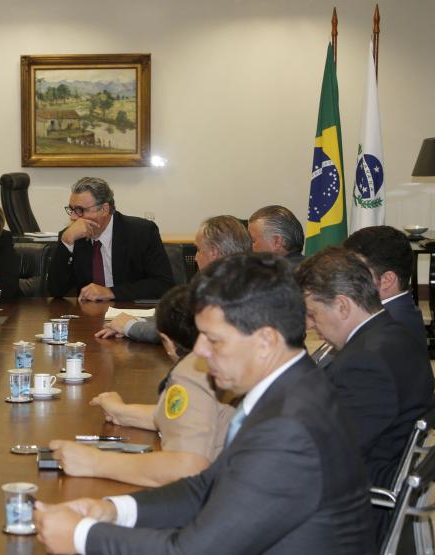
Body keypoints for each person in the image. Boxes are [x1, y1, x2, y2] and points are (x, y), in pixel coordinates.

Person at [34, 253, 374, 555]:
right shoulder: (289, 388)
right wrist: (112, 510)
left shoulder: (287, 428)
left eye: (213, 340)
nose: (199, 352)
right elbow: (208, 486)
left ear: (265, 340)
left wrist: (82, 537)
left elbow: (195, 549)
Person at [50, 285, 235, 487]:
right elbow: (192, 415)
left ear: (166, 340)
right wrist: (123, 412)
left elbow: (185, 470)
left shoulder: (195, 369)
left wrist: (95, 462)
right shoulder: (227, 365)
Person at [295, 247, 435, 490]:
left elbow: (329, 451)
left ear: (342, 305)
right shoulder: (396, 335)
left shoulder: (365, 362)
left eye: (312, 313)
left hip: (356, 497)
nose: (308, 324)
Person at [96, 215, 250, 343]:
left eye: (198, 249)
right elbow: (178, 319)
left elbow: (181, 331)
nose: (195, 258)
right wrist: (134, 322)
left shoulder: (227, 292)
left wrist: (129, 326)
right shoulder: (238, 279)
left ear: (214, 252)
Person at [48, 177, 174, 302]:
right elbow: (55, 290)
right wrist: (66, 242)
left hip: (131, 312)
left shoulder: (142, 232)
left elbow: (164, 284)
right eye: (71, 210)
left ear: (104, 209)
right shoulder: (72, 236)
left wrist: (111, 292)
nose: (73, 218)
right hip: (89, 316)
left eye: (80, 210)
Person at [343, 225, 426, 343]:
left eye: (355, 272)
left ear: (386, 280)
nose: (343, 278)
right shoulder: (397, 312)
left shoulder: (386, 331)